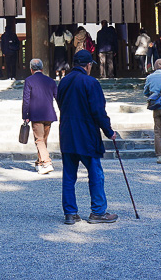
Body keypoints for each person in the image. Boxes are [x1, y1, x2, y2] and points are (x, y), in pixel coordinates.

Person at [57, 50, 119, 224]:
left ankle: (70, 213)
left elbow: (61, 104)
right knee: (95, 173)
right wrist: (109, 131)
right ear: (88, 65)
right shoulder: (91, 82)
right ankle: (98, 211)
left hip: (67, 133)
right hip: (86, 134)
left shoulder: (63, 82)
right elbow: (98, 111)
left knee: (69, 175)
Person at [23, 59, 57, 175]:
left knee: (39, 140)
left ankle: (47, 163)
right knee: (43, 140)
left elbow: (26, 99)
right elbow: (58, 97)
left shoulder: (29, 80)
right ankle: (39, 162)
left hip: (36, 114)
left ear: (31, 69)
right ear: (42, 69)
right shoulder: (50, 81)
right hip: (48, 114)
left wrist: (25, 115)